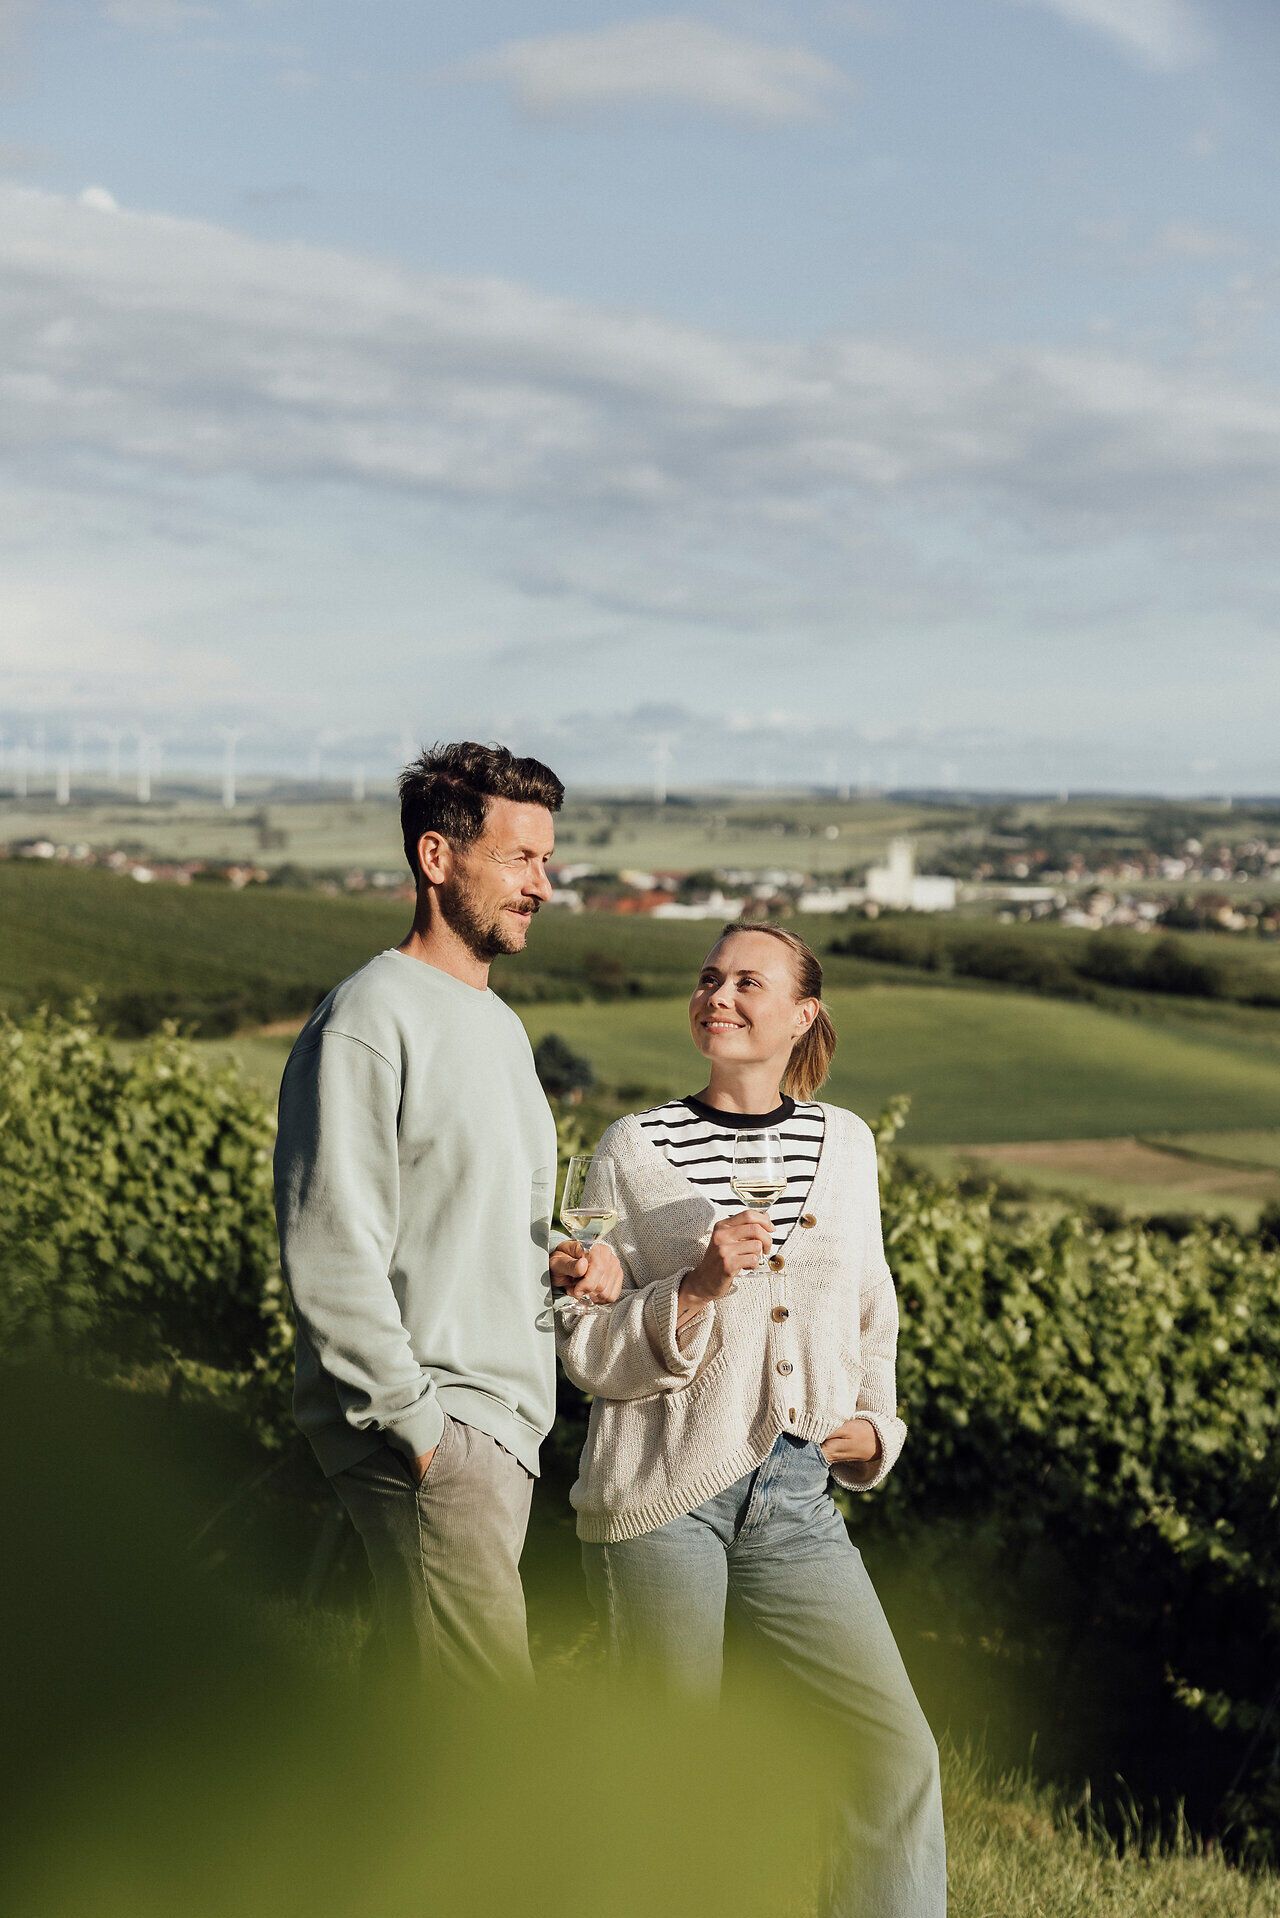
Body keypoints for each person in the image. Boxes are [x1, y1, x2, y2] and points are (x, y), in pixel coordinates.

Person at [549, 923, 947, 1917]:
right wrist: (695, 1286)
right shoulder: (633, 1149)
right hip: (662, 1494)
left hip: (797, 1495)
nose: (717, 996)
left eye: (746, 982)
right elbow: (585, 1348)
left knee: (893, 1753)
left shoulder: (845, 1144)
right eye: (708, 978)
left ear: (802, 1014)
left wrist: (876, 1424)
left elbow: (871, 1304)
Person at [274, 739, 600, 1689]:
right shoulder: (370, 1018)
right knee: (486, 1732)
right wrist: (418, 1431)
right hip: (436, 1423)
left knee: (408, 1729)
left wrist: (563, 1260)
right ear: (436, 857)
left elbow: (474, 1216)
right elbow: (330, 1244)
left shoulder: (498, 1025)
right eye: (519, 857)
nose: (542, 885)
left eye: (547, 860)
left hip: (497, 1426)